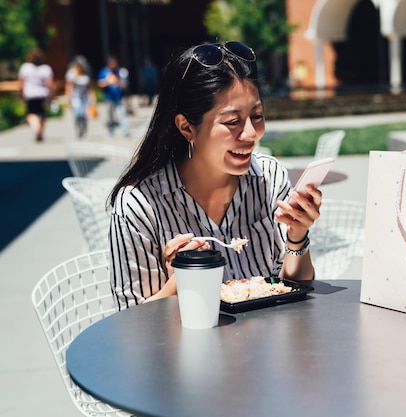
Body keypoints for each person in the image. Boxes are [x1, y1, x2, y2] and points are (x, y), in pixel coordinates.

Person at [108, 41, 320, 310]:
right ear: (187, 127)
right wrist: (181, 279)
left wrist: (297, 235)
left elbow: (294, 292)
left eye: (256, 116)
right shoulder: (139, 205)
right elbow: (131, 326)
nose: (251, 134)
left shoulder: (269, 177)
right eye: (232, 122)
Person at [17, 48, 54, 142]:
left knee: (31, 114)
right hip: (42, 94)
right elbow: (49, 84)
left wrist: (20, 95)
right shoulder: (46, 69)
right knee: (42, 114)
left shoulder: (25, 68)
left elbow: (21, 84)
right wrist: (52, 95)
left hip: (30, 94)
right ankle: (40, 130)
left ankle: (36, 128)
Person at [97, 55, 130, 137]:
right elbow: (99, 84)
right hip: (109, 97)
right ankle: (111, 131)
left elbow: (125, 84)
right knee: (110, 116)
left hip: (118, 97)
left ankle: (125, 131)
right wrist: (107, 82)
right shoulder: (104, 72)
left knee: (121, 114)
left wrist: (120, 83)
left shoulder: (119, 72)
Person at [65, 55, 93, 138]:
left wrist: (92, 100)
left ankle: (84, 128)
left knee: (84, 114)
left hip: (84, 97)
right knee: (78, 114)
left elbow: (89, 88)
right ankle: (79, 128)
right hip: (76, 97)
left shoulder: (86, 74)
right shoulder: (72, 73)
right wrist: (69, 99)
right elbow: (69, 86)